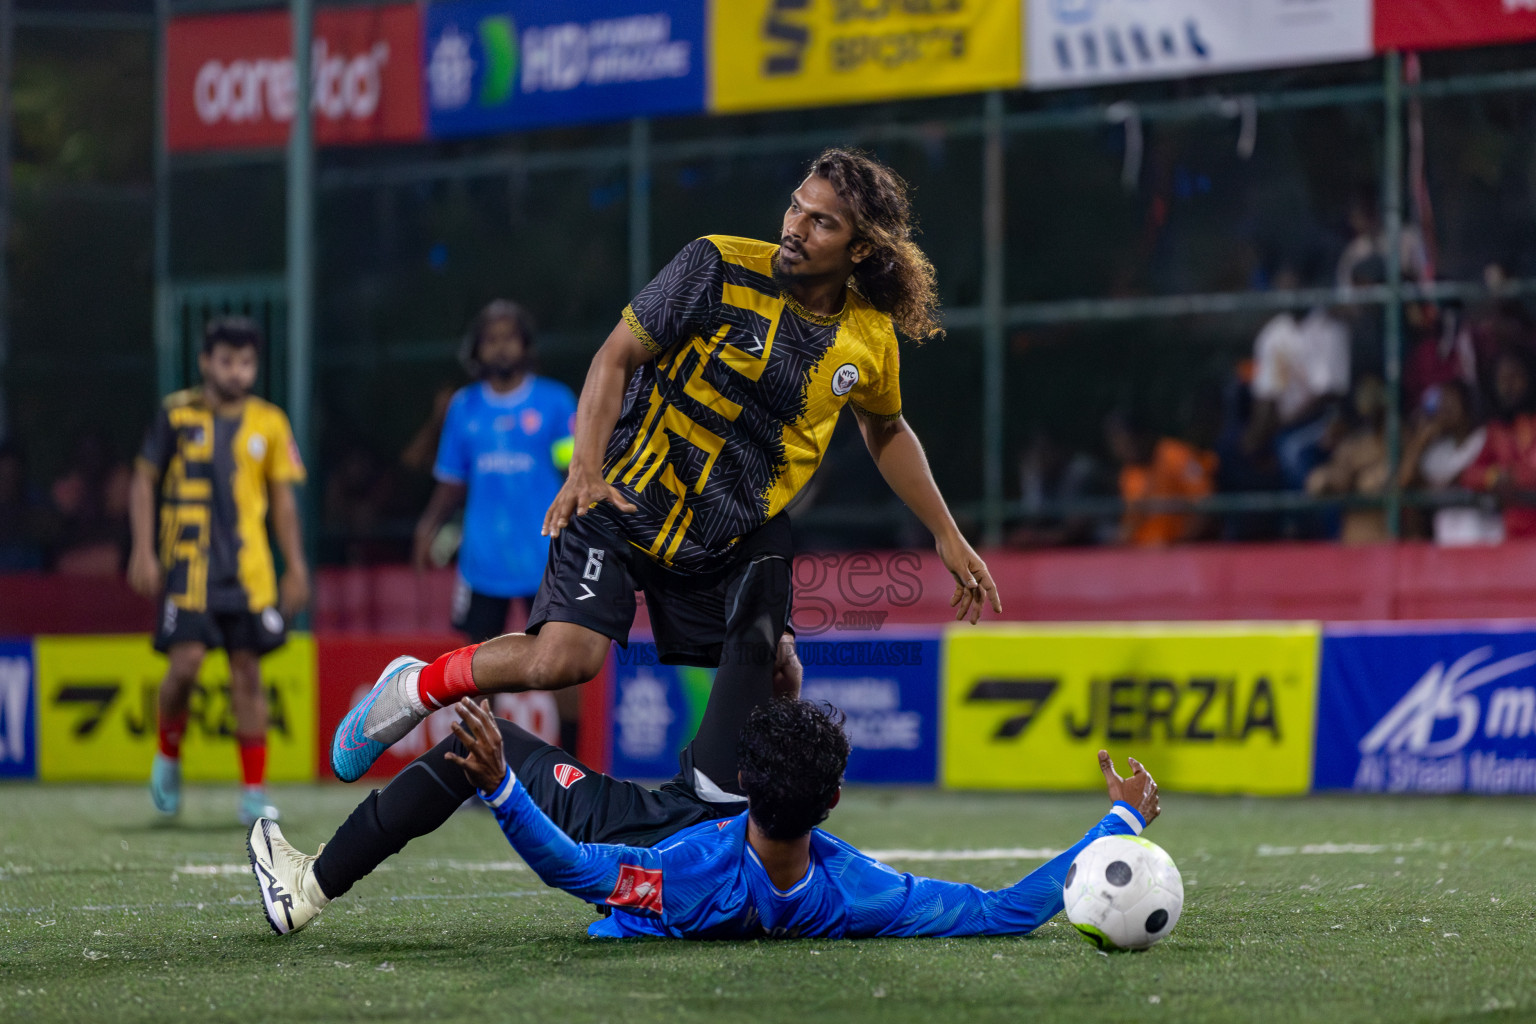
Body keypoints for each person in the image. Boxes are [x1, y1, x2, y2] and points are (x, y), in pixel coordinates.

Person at [328, 149, 1003, 803]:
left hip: (728, 534)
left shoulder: (868, 336)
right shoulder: (714, 264)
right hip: (625, 493)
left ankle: (768, 833)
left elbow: (885, 428)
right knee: (562, 662)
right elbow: (615, 355)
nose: (795, 228)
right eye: (796, 207)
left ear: (859, 249)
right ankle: (416, 688)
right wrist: (585, 470)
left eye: (821, 222)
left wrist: (946, 533)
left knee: (775, 668)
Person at [249, 674, 1160, 941]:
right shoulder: (860, 893)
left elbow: (582, 874)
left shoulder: (693, 878)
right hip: (666, 819)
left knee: (463, 746)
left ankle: (309, 887)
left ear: (744, 788)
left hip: (625, 827)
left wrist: (499, 789)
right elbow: (1001, 912)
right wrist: (1114, 826)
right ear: (832, 802)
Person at [127, 316, 309, 825]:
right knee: (183, 666)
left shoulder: (270, 422)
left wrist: (295, 565)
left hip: (249, 574)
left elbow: (284, 502)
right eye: (226, 360)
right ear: (206, 361)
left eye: (246, 362)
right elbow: (143, 481)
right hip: (189, 568)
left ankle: (253, 792)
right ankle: (168, 754)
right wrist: (142, 549)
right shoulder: (175, 414)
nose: (237, 371)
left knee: (247, 674)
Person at [412, 301, 576, 645]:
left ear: (525, 344)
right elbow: (451, 481)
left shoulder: (555, 402)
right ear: (477, 349)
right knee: (478, 659)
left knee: (558, 652)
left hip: (547, 556)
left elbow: (575, 473)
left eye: (510, 337)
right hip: (482, 560)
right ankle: (485, 705)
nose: (501, 346)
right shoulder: (463, 407)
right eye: (491, 339)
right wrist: (428, 526)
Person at [1104, 411, 1216, 547]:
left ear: (1141, 437)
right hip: (1143, 555)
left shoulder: (1176, 455)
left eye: (1124, 441)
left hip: (1181, 550)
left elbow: (1205, 504)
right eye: (1115, 444)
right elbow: (1130, 525)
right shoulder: (1129, 474)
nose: (1120, 449)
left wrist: (1182, 543)